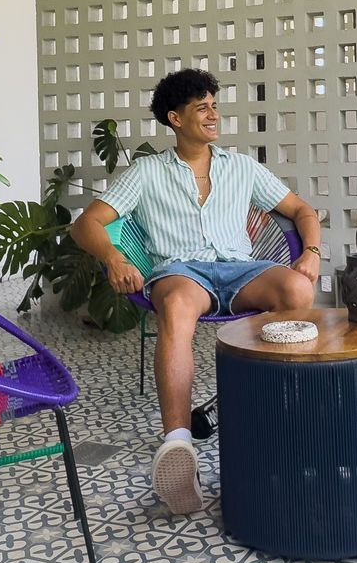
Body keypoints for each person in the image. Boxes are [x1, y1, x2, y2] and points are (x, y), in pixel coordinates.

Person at [71, 69, 321, 515]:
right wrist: (114, 257)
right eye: (201, 108)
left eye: (214, 105)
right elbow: (86, 223)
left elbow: (302, 210)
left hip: (242, 270)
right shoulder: (147, 172)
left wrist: (313, 252)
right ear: (176, 118)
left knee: (297, 291)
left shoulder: (241, 167)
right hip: (183, 271)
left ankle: (282, 414)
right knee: (178, 302)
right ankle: (178, 446)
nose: (212, 114)